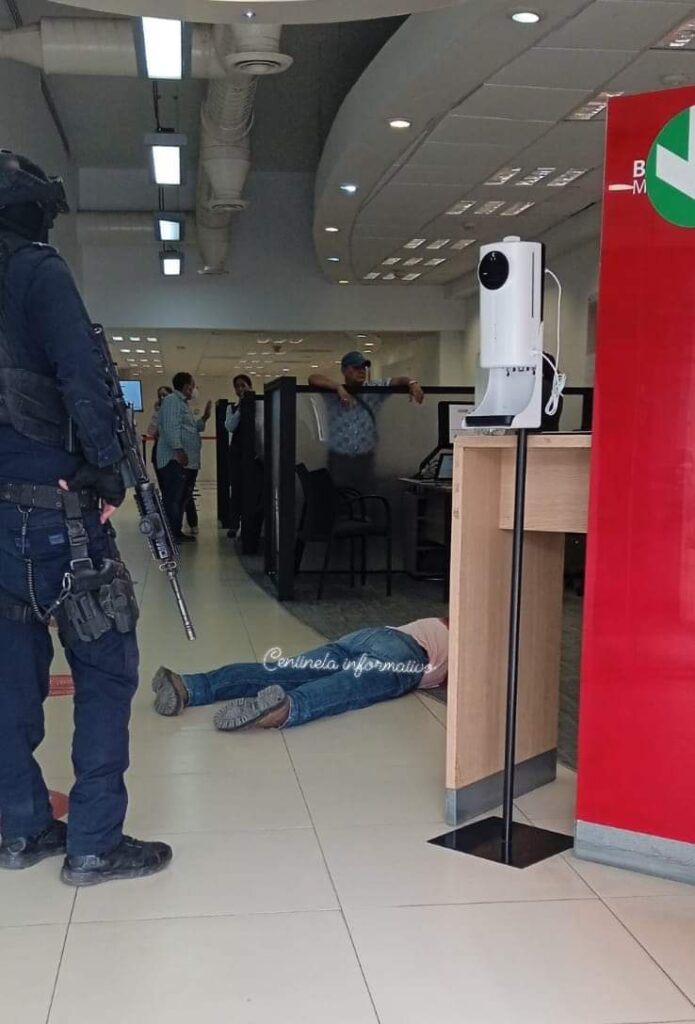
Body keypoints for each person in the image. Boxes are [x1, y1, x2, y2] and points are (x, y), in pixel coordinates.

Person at [0, 149, 171, 885]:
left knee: (8, 683)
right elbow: (81, 373)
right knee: (105, 672)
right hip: (57, 515)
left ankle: (20, 829)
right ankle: (94, 843)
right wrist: (106, 465)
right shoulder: (35, 270)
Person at [152, 616, 448, 730]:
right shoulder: (469, 639)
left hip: (369, 635)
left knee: (284, 670)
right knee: (348, 686)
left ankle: (190, 685)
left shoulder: (443, 620)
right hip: (406, 655)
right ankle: (286, 708)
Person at [308, 351, 424, 491]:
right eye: (356, 367)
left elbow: (398, 381)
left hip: (365, 458)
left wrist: (412, 383)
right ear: (344, 370)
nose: (361, 371)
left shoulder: (373, 389)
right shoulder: (332, 394)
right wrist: (339, 388)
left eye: (363, 367)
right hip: (339, 458)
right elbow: (313, 378)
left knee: (365, 495)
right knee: (340, 496)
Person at [156, 372, 211, 542]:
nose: (195, 389)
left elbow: (191, 428)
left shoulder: (182, 404)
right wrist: (179, 451)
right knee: (174, 498)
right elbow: (171, 428)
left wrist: (205, 418)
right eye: (193, 385)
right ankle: (171, 534)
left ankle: (176, 531)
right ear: (187, 387)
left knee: (181, 498)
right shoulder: (172, 401)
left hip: (185, 462)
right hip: (174, 460)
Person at [224, 373, 252, 539]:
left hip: (253, 454)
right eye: (237, 386)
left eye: (243, 385)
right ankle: (234, 525)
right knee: (236, 489)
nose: (240, 389)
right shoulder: (232, 408)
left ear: (249, 386)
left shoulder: (258, 404)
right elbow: (230, 426)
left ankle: (251, 524)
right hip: (237, 453)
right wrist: (241, 408)